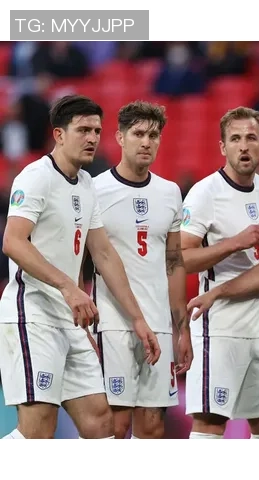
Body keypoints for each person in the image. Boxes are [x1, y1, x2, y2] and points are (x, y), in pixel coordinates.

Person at [0, 94, 160, 440]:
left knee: (100, 423)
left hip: (70, 321)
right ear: (59, 134)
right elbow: (13, 241)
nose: (92, 138)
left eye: (97, 131)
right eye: (83, 130)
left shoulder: (87, 183)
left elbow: (104, 254)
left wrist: (137, 318)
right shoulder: (36, 177)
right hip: (33, 315)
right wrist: (68, 287)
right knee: (38, 431)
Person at [91, 101, 192, 439]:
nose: (147, 142)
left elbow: (174, 262)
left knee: (152, 428)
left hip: (158, 323)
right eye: (138, 134)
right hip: (112, 323)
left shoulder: (170, 192)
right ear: (120, 137)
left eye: (154, 135)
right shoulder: (95, 190)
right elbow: (83, 259)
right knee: (116, 425)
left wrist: (181, 329)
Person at [181, 107, 259, 440]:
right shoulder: (205, 193)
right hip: (219, 326)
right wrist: (234, 243)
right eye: (235, 139)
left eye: (251, 138)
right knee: (210, 421)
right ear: (223, 147)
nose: (244, 146)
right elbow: (180, 258)